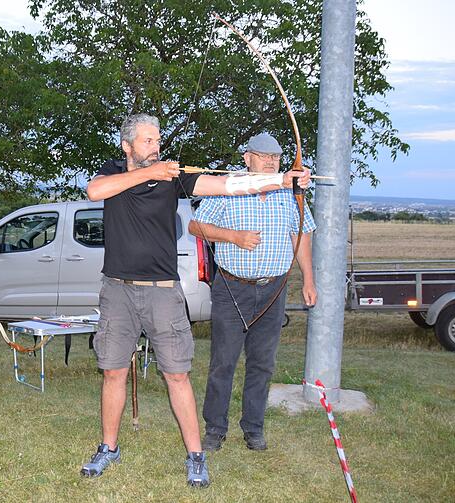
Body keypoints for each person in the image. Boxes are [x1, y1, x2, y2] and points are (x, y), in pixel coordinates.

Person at [81, 115, 310, 488]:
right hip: (118, 289)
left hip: (162, 291)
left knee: (176, 374)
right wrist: (150, 172)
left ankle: (195, 455)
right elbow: (95, 192)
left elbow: (227, 185)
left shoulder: (177, 179)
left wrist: (281, 180)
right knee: (113, 370)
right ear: (128, 147)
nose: (155, 147)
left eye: (157, 140)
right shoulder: (112, 173)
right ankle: (108, 447)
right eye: (147, 141)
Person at [189, 132, 317, 454]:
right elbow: (195, 226)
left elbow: (300, 235)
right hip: (232, 288)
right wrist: (233, 237)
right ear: (248, 158)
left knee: (262, 363)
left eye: (275, 158)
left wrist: (309, 281)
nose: (271, 162)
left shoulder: (291, 193)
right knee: (223, 362)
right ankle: (215, 429)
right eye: (263, 156)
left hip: (273, 290)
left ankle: (254, 429)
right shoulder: (228, 188)